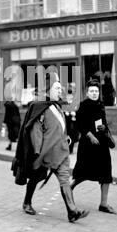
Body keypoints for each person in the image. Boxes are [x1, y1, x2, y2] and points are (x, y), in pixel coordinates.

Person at [12, 72, 89, 223]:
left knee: (64, 179)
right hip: (43, 153)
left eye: (60, 88)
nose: (60, 90)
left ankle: (72, 211)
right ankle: (27, 202)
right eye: (57, 87)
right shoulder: (39, 107)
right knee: (34, 178)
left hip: (59, 152)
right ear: (48, 90)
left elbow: (57, 128)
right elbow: (36, 131)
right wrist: (36, 152)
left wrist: (65, 137)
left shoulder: (56, 106)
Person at [71, 80, 117, 214]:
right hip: (88, 146)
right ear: (87, 92)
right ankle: (67, 190)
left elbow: (104, 123)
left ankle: (103, 204)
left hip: (102, 145)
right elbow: (80, 125)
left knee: (106, 172)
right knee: (82, 173)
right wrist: (90, 136)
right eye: (92, 91)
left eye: (96, 91)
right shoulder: (82, 106)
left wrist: (104, 127)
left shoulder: (100, 105)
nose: (94, 93)